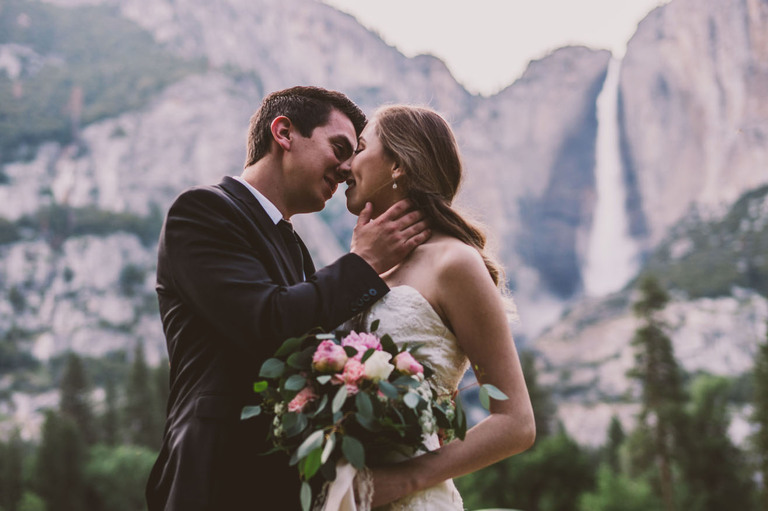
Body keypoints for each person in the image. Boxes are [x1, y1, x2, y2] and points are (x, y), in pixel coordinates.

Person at [145, 87, 430, 511]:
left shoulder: (296, 250)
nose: (348, 168)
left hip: (286, 485)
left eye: (354, 155)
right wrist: (363, 262)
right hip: (214, 475)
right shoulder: (202, 210)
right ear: (284, 133)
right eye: (339, 147)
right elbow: (268, 324)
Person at [340, 104, 536, 509]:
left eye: (359, 148)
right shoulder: (365, 266)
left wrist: (402, 479)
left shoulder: (454, 262)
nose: (345, 165)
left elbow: (516, 423)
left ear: (397, 165)